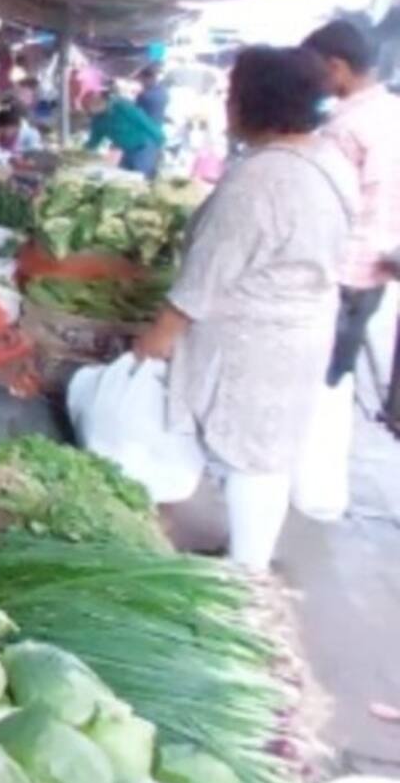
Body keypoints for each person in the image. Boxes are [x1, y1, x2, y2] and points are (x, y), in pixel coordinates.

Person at [133, 47, 355, 570]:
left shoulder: (262, 178)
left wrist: (156, 340)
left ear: (257, 103)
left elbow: (204, 277)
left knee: (249, 457)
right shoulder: (324, 157)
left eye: (233, 95)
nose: (227, 106)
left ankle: (245, 571)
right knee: (266, 452)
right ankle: (245, 560)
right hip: (302, 329)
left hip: (254, 341)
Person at [303, 19, 400, 387]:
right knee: (337, 370)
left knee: (312, 373)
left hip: (336, 269)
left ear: (335, 67)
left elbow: (324, 203)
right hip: (376, 269)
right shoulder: (394, 112)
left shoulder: (345, 126)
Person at [83, 88, 166, 178]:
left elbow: (144, 122)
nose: (90, 110)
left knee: (140, 177)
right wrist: (84, 152)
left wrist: (160, 140)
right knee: (124, 177)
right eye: (88, 108)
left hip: (143, 146)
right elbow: (95, 139)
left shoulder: (122, 107)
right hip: (125, 150)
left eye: (94, 104)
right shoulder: (97, 119)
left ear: (102, 101)